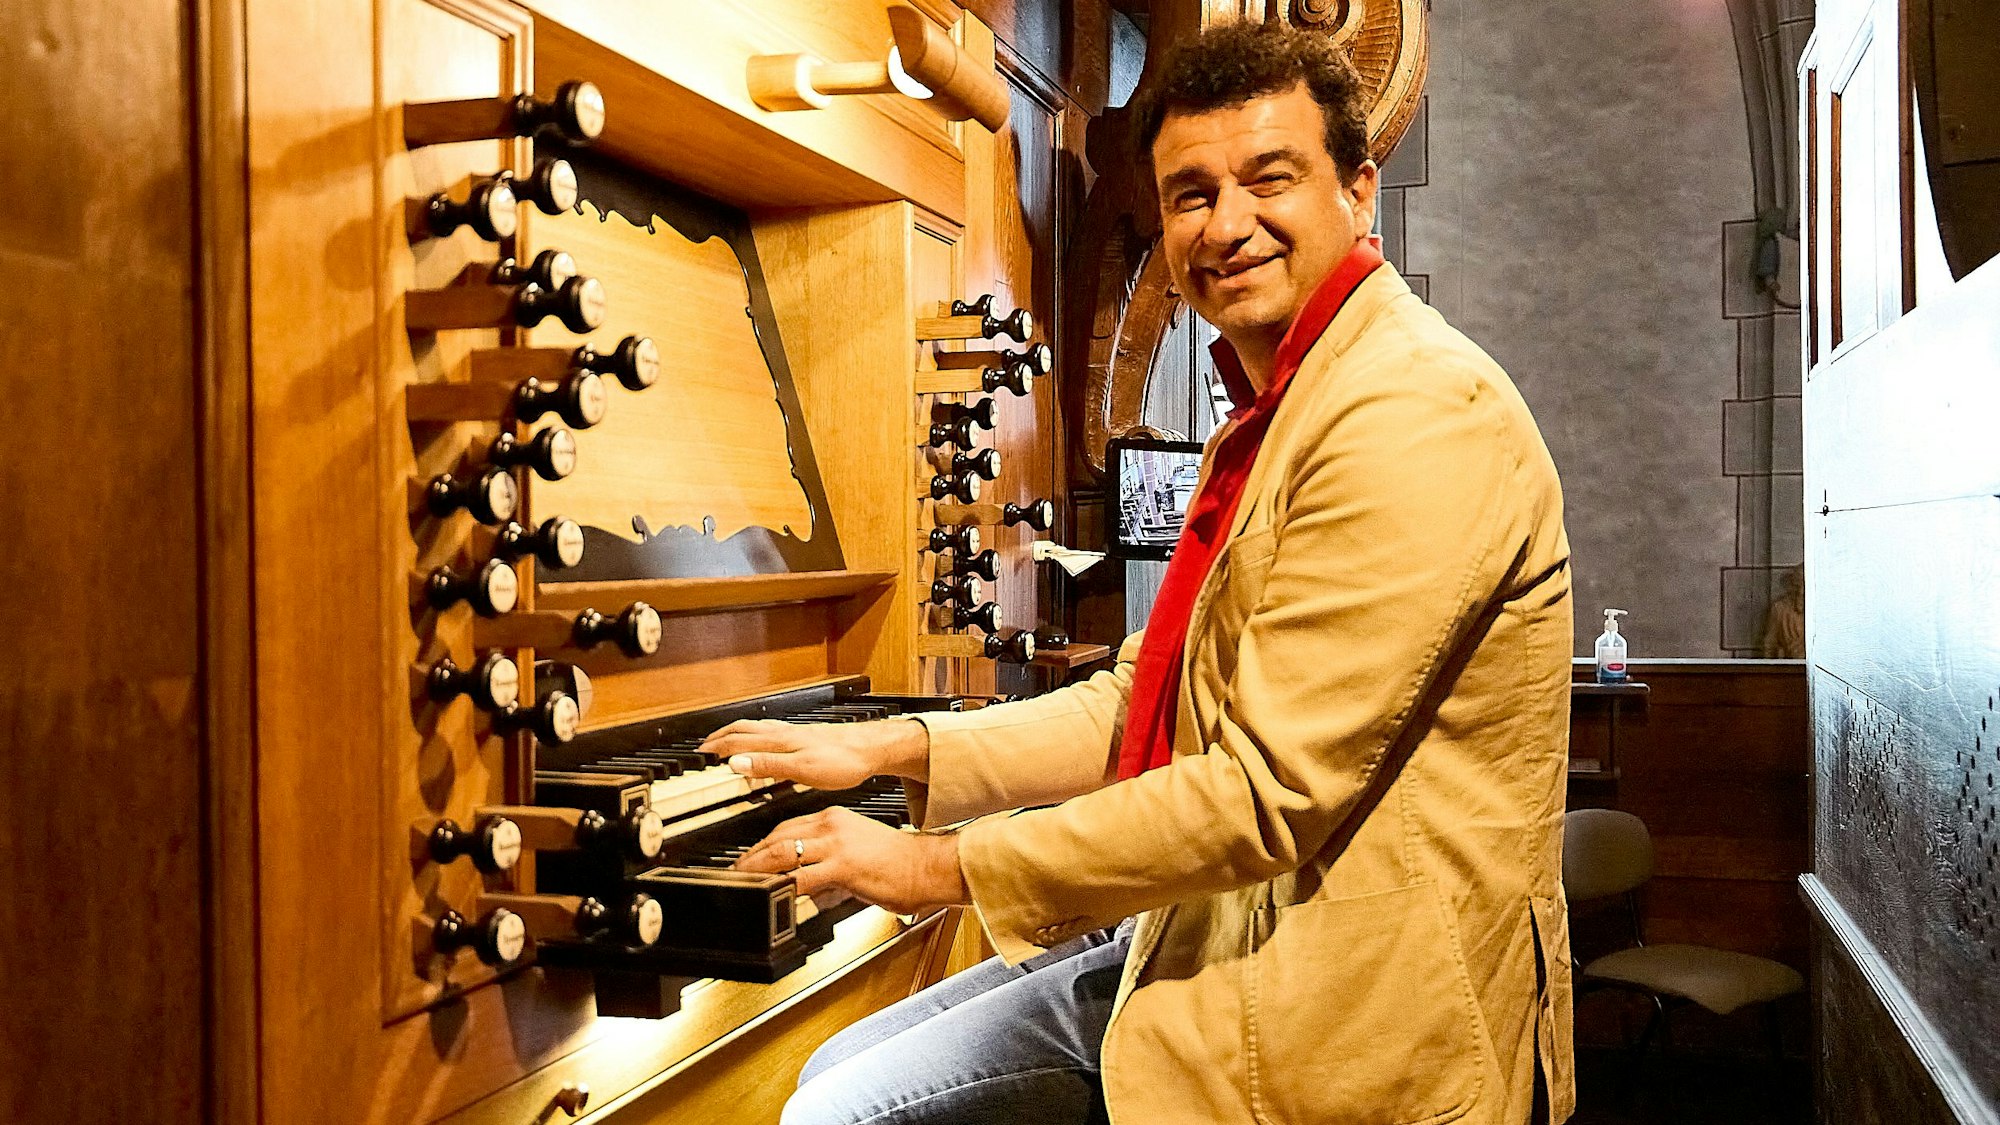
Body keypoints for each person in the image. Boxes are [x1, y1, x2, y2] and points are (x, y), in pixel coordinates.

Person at [703, 21, 1576, 1125]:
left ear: (1357, 191)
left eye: (1270, 179)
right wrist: (894, 745)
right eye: (1189, 194)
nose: (1227, 224)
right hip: (1221, 926)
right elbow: (1145, 703)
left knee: (842, 1114)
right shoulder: (1273, 417)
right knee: (834, 1077)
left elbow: (1262, 796)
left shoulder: (1410, 413)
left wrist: (932, 868)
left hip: (1341, 1003)